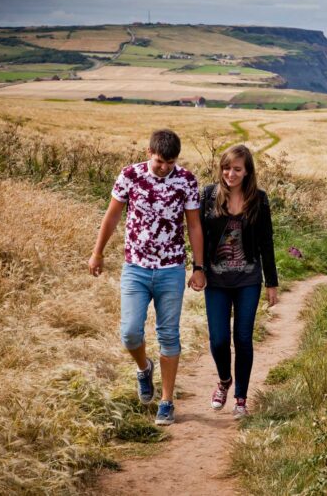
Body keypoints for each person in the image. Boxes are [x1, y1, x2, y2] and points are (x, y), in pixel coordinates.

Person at [88, 129, 206, 426]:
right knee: (129, 332)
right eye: (159, 161)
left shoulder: (187, 180)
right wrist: (97, 252)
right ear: (148, 153)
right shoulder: (130, 176)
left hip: (171, 269)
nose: (164, 166)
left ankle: (166, 401)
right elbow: (112, 216)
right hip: (136, 268)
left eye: (170, 161)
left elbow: (193, 226)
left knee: (169, 335)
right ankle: (144, 369)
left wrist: (199, 267)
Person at [200, 144, 278, 419]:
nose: (230, 174)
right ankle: (224, 380)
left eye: (236, 169)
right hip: (216, 279)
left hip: (248, 279)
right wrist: (197, 268)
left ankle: (241, 398)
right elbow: (198, 235)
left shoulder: (259, 199)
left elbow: (267, 242)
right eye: (226, 168)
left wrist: (272, 282)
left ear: (247, 172)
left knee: (243, 338)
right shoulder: (209, 195)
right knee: (219, 339)